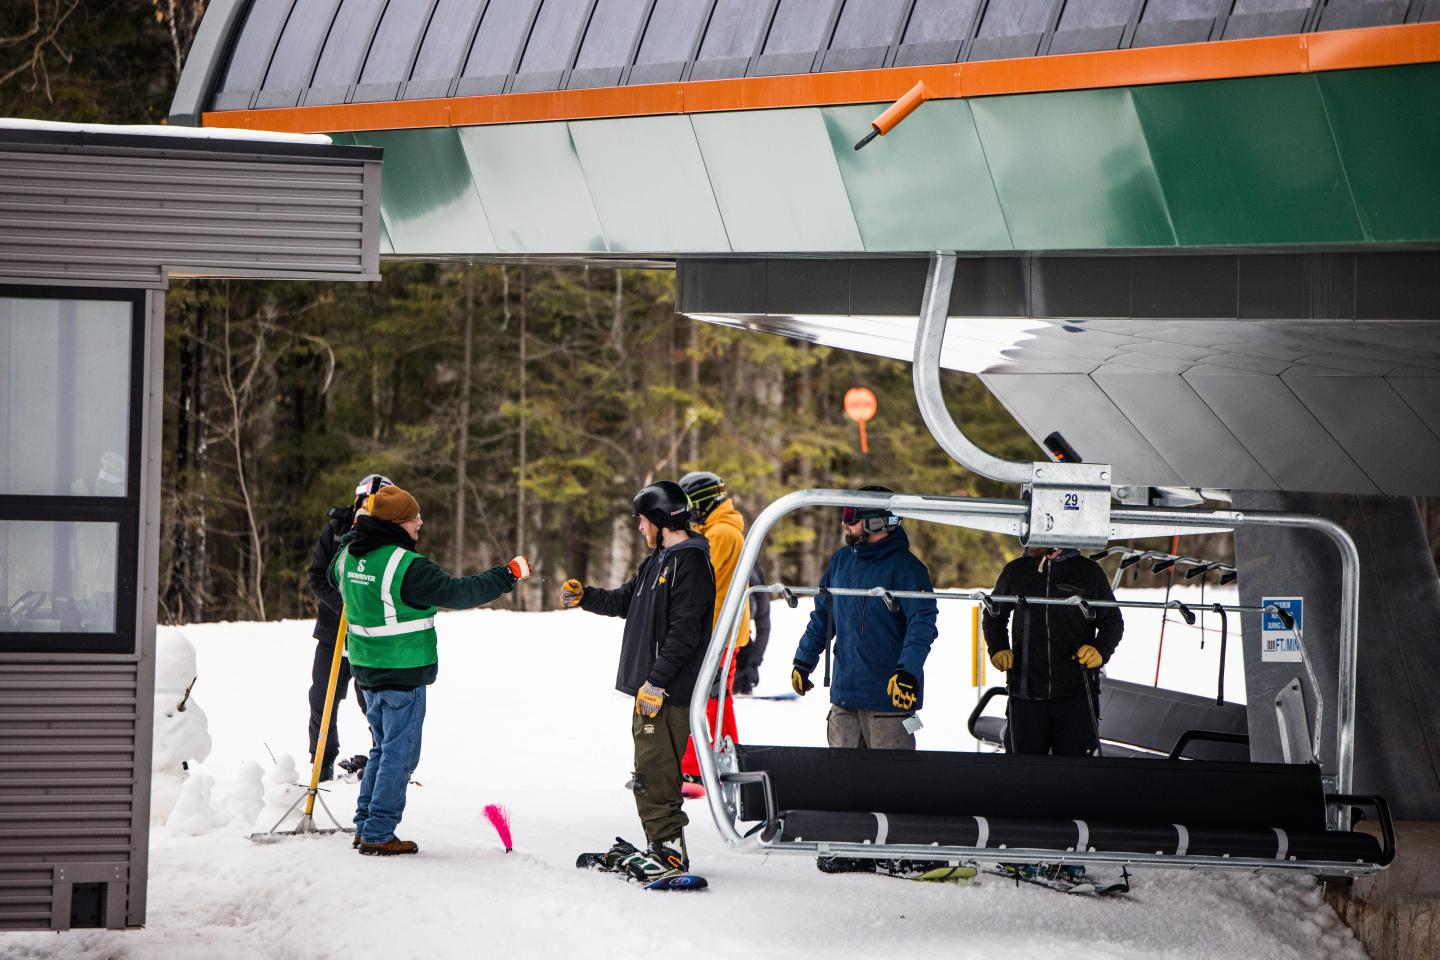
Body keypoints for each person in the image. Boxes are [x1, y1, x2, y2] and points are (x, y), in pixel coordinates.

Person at [332, 483, 530, 856]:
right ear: (395, 524)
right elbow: (458, 592)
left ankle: (365, 824)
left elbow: (332, 580)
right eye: (413, 518)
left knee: (381, 747)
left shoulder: (347, 556)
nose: (419, 523)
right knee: (400, 755)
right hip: (401, 670)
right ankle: (377, 832)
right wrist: (507, 574)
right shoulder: (405, 565)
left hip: (366, 669)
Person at [561, 481, 714, 881]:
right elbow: (626, 601)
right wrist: (586, 597)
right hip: (651, 688)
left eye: (643, 521)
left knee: (656, 771)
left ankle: (669, 852)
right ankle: (659, 845)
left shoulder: (691, 563)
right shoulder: (659, 560)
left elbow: (686, 631)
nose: (640, 528)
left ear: (661, 521)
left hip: (668, 691)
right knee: (648, 770)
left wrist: (658, 682)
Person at [790, 485, 938, 750]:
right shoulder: (841, 561)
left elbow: (922, 625)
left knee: (889, 785)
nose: (845, 523)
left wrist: (908, 672)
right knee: (842, 783)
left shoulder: (907, 568)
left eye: (851, 516)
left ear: (876, 521)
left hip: (888, 703)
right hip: (844, 701)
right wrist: (804, 660)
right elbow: (823, 616)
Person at [982, 546, 1124, 756]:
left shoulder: (1089, 571)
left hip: (1076, 695)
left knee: (1074, 775)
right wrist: (998, 648)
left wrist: (1099, 650)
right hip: (1025, 693)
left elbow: (1112, 622)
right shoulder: (1016, 571)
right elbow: (994, 615)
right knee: (1022, 774)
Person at [304, 473, 390, 782]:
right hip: (333, 630)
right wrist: (343, 604)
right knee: (322, 697)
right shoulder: (336, 530)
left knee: (371, 699)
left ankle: (384, 760)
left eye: (378, 505)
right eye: (366, 503)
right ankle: (322, 762)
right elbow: (316, 575)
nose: (369, 509)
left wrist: (364, 608)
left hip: (370, 636)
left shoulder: (391, 538)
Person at [677, 471, 746, 792]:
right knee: (709, 698)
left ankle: (712, 767)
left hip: (718, 632)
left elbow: (700, 580)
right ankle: (704, 766)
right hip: (715, 631)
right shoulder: (715, 530)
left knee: (712, 700)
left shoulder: (721, 534)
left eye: (689, 505)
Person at [734, 564, 771, 695]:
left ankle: (744, 681)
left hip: (742, 636)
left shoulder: (760, 595)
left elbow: (763, 629)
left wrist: (753, 664)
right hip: (719, 623)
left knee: (746, 649)